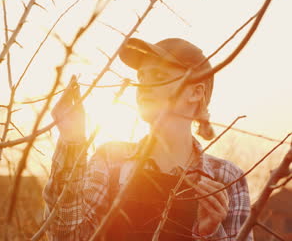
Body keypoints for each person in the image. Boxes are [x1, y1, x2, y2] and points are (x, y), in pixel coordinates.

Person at [43, 37, 253, 240]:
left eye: (159, 76)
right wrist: (72, 141)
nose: (143, 86)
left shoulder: (227, 178)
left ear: (196, 93)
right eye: (141, 77)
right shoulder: (111, 160)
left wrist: (209, 233)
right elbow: (68, 236)